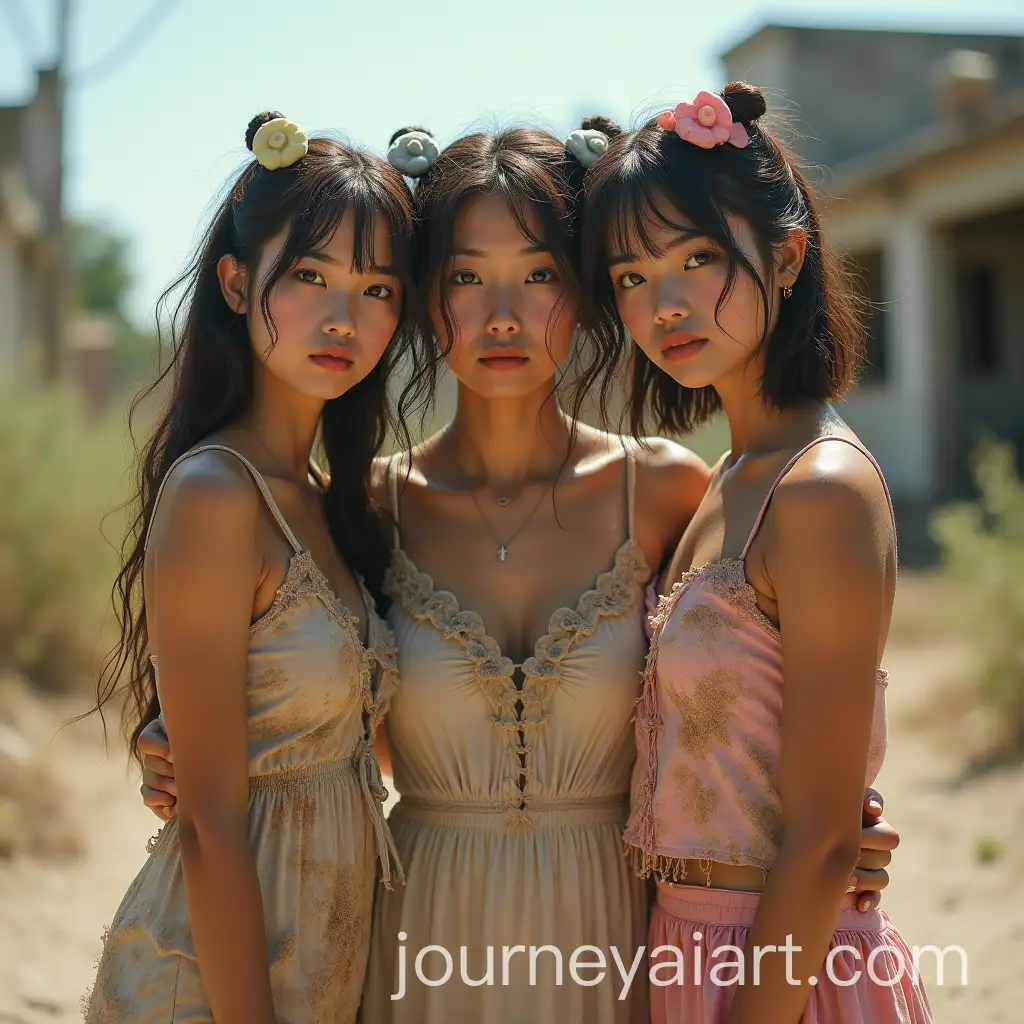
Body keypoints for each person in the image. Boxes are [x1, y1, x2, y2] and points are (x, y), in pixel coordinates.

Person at [137, 120, 901, 1023]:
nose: (503, 314)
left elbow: (736, 707)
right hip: (416, 943)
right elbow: (292, 701)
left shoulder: (667, 492)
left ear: (582, 295)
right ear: (424, 299)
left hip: (617, 948)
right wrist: (166, 738)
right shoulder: (362, 511)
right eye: (465, 275)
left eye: (541, 274)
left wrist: (843, 814)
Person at [580, 83, 932, 1022]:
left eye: (698, 257)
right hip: (683, 945)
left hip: (785, 970)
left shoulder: (818, 490)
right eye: (630, 275)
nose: (666, 303)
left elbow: (821, 840)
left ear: (785, 256)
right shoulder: (728, 476)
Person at [84, 112, 414, 1023]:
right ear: (237, 282)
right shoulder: (217, 495)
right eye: (309, 276)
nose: (345, 317)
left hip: (325, 967)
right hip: (215, 984)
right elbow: (209, 822)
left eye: (378, 288)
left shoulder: (338, 502)